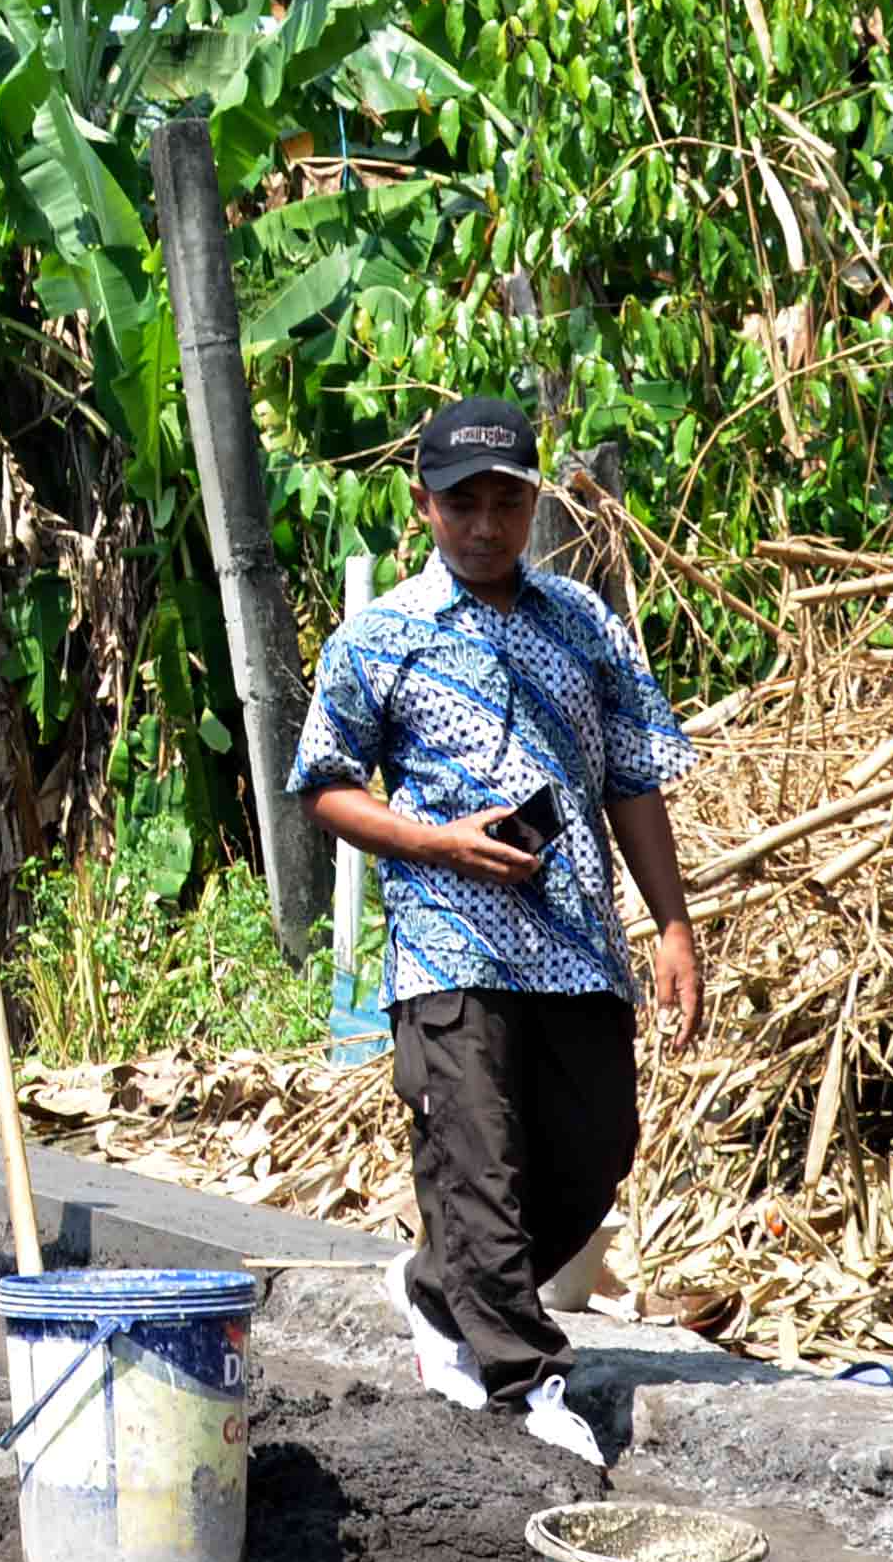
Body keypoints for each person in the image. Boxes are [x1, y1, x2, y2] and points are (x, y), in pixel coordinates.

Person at [291, 396, 705, 1470]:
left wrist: (671, 924)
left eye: (505, 502)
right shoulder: (377, 635)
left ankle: (438, 1286)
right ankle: (528, 1382)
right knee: (475, 1156)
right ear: (422, 505)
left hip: (573, 941)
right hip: (444, 941)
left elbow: (631, 780)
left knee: (594, 1147)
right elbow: (324, 788)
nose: (483, 524)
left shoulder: (582, 623)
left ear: (533, 503)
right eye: (461, 502)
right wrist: (433, 843)